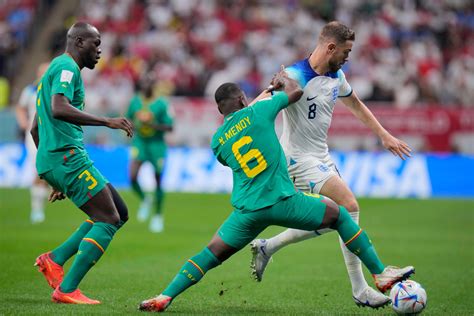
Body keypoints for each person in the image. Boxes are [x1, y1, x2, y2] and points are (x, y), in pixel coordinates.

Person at [138, 72, 414, 312]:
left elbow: (233, 135)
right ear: (243, 99)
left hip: (247, 211)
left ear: (221, 109)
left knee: (210, 254)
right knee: (340, 215)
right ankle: (379, 274)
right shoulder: (260, 111)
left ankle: (165, 296)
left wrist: (255, 101)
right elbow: (295, 92)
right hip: (282, 200)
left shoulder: (217, 141)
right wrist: (280, 83)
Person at [249, 21, 413, 309]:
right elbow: (258, 106)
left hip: (321, 156)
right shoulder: (294, 75)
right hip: (297, 159)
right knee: (349, 206)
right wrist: (239, 117)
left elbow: (357, 105)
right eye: (346, 51)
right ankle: (368, 283)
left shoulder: (337, 75)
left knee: (337, 220)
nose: (348, 57)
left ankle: (268, 246)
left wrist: (384, 136)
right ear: (330, 47)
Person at [31, 22, 134, 305]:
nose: (99, 51)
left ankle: (55, 259)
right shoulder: (66, 69)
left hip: (59, 159)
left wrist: (53, 174)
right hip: (67, 157)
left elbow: (35, 129)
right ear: (78, 42)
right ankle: (66, 289)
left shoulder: (54, 70)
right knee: (108, 219)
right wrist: (106, 120)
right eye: (95, 43)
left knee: (120, 212)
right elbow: (58, 108)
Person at [126, 74, 173, 233]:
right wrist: (131, 126)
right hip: (140, 143)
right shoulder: (135, 101)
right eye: (143, 84)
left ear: (153, 87)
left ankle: (158, 216)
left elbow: (170, 127)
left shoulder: (161, 104)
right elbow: (128, 119)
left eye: (148, 84)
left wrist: (151, 124)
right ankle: (145, 198)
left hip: (156, 145)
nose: (145, 88)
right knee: (132, 177)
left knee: (158, 180)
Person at [15, 63, 49, 223]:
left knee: (48, 174)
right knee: (39, 170)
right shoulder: (30, 91)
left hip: (52, 136)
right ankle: (37, 210)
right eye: (42, 72)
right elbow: (20, 108)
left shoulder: (55, 90)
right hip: (33, 135)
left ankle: (40, 204)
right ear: (38, 73)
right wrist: (23, 123)